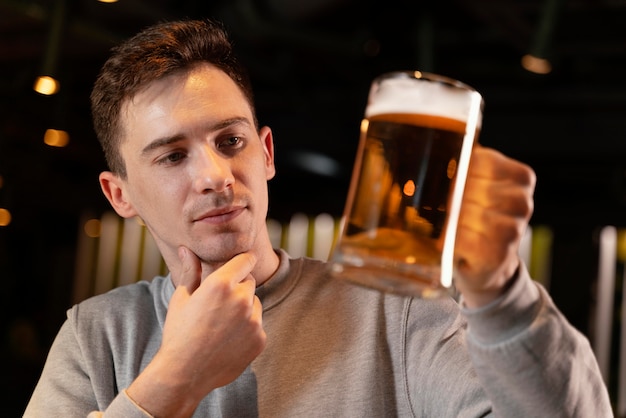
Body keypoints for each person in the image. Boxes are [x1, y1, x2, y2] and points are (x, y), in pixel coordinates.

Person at [24, 18, 611, 417]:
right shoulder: (96, 336)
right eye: (173, 156)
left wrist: (504, 294)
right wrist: (174, 379)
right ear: (119, 194)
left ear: (268, 153)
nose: (215, 176)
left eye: (231, 141)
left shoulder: (396, 313)